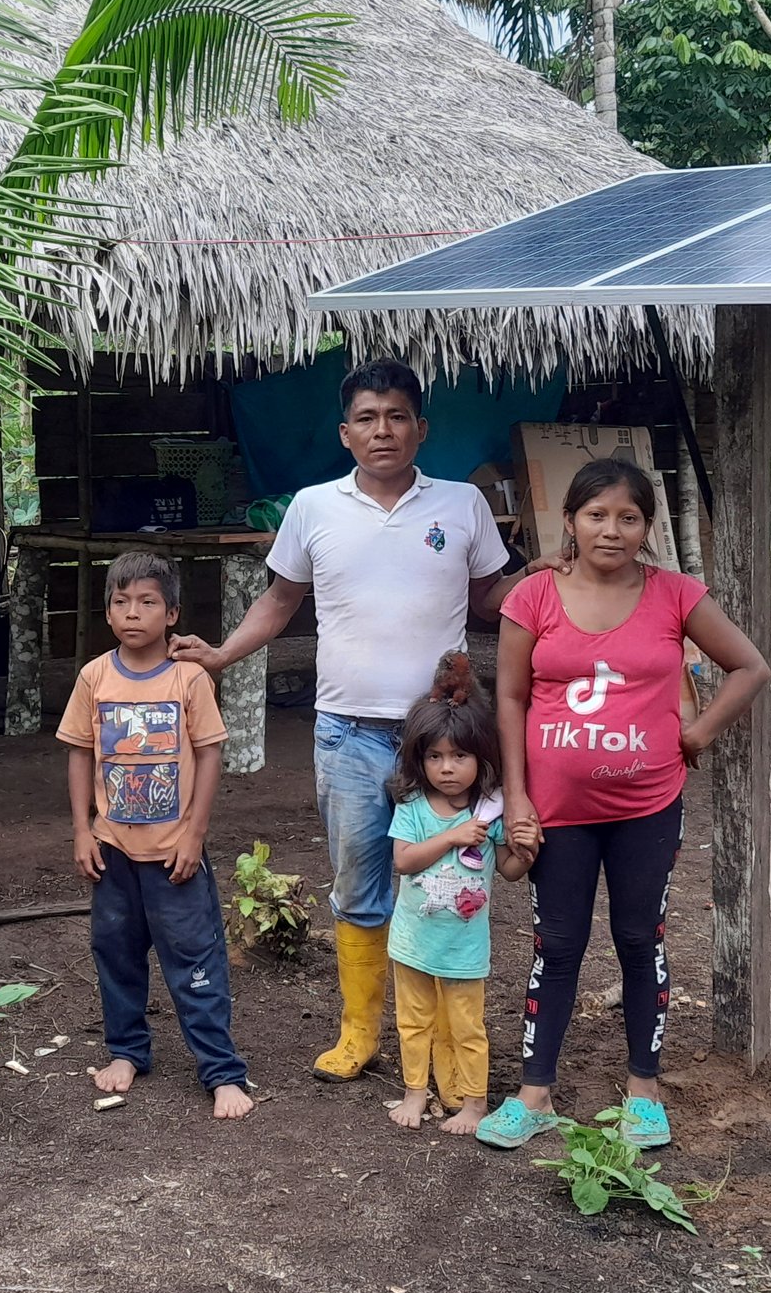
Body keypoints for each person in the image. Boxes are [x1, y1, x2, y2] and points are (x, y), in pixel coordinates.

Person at [172, 359, 518, 1083]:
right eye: (367, 418)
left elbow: (492, 598)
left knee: (451, 881)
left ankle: (445, 1038)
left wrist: (557, 578)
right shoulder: (312, 506)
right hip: (348, 734)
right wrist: (221, 654)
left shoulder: (461, 506)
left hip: (444, 735)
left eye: (397, 416)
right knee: (359, 884)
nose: (382, 430)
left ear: (421, 428)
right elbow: (278, 601)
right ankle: (361, 1030)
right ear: (345, 431)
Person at [476, 458, 770, 1153]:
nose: (612, 529)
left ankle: (644, 1091)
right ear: (570, 521)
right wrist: (516, 795)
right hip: (557, 806)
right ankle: (534, 1094)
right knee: (559, 943)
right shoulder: (536, 597)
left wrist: (696, 732)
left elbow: (751, 666)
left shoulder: (676, 594)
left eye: (628, 517)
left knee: (640, 938)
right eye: (597, 515)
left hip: (647, 803)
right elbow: (511, 698)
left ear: (648, 525)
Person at [60, 550, 254, 1121]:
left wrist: (195, 834)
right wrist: (82, 831)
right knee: (115, 954)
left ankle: (221, 1072)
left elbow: (210, 754)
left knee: (195, 961)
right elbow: (79, 755)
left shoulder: (188, 678)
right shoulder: (94, 677)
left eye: (147, 602)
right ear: (108, 611)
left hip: (175, 857)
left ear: (172, 613)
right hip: (113, 851)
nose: (132, 613)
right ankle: (126, 1051)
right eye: (121, 602)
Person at [383, 652, 534, 1133]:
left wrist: (525, 851)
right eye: (435, 757)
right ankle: (414, 1092)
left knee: (469, 1027)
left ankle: (472, 1102)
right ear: (419, 758)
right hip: (411, 942)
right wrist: (451, 836)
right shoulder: (412, 806)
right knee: (413, 1022)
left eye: (460, 756)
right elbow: (403, 861)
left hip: (466, 948)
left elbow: (508, 871)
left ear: (481, 757)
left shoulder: (491, 811)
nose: (447, 768)